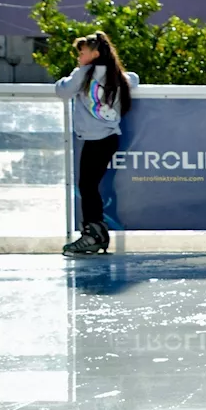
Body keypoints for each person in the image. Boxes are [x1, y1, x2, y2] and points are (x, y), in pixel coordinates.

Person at [56, 31, 139, 256]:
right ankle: (97, 231)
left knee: (87, 186)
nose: (79, 58)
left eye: (81, 53)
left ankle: (92, 234)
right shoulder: (116, 75)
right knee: (91, 186)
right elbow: (135, 79)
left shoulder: (82, 74)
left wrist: (67, 77)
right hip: (110, 138)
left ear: (94, 53)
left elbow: (63, 90)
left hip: (94, 140)